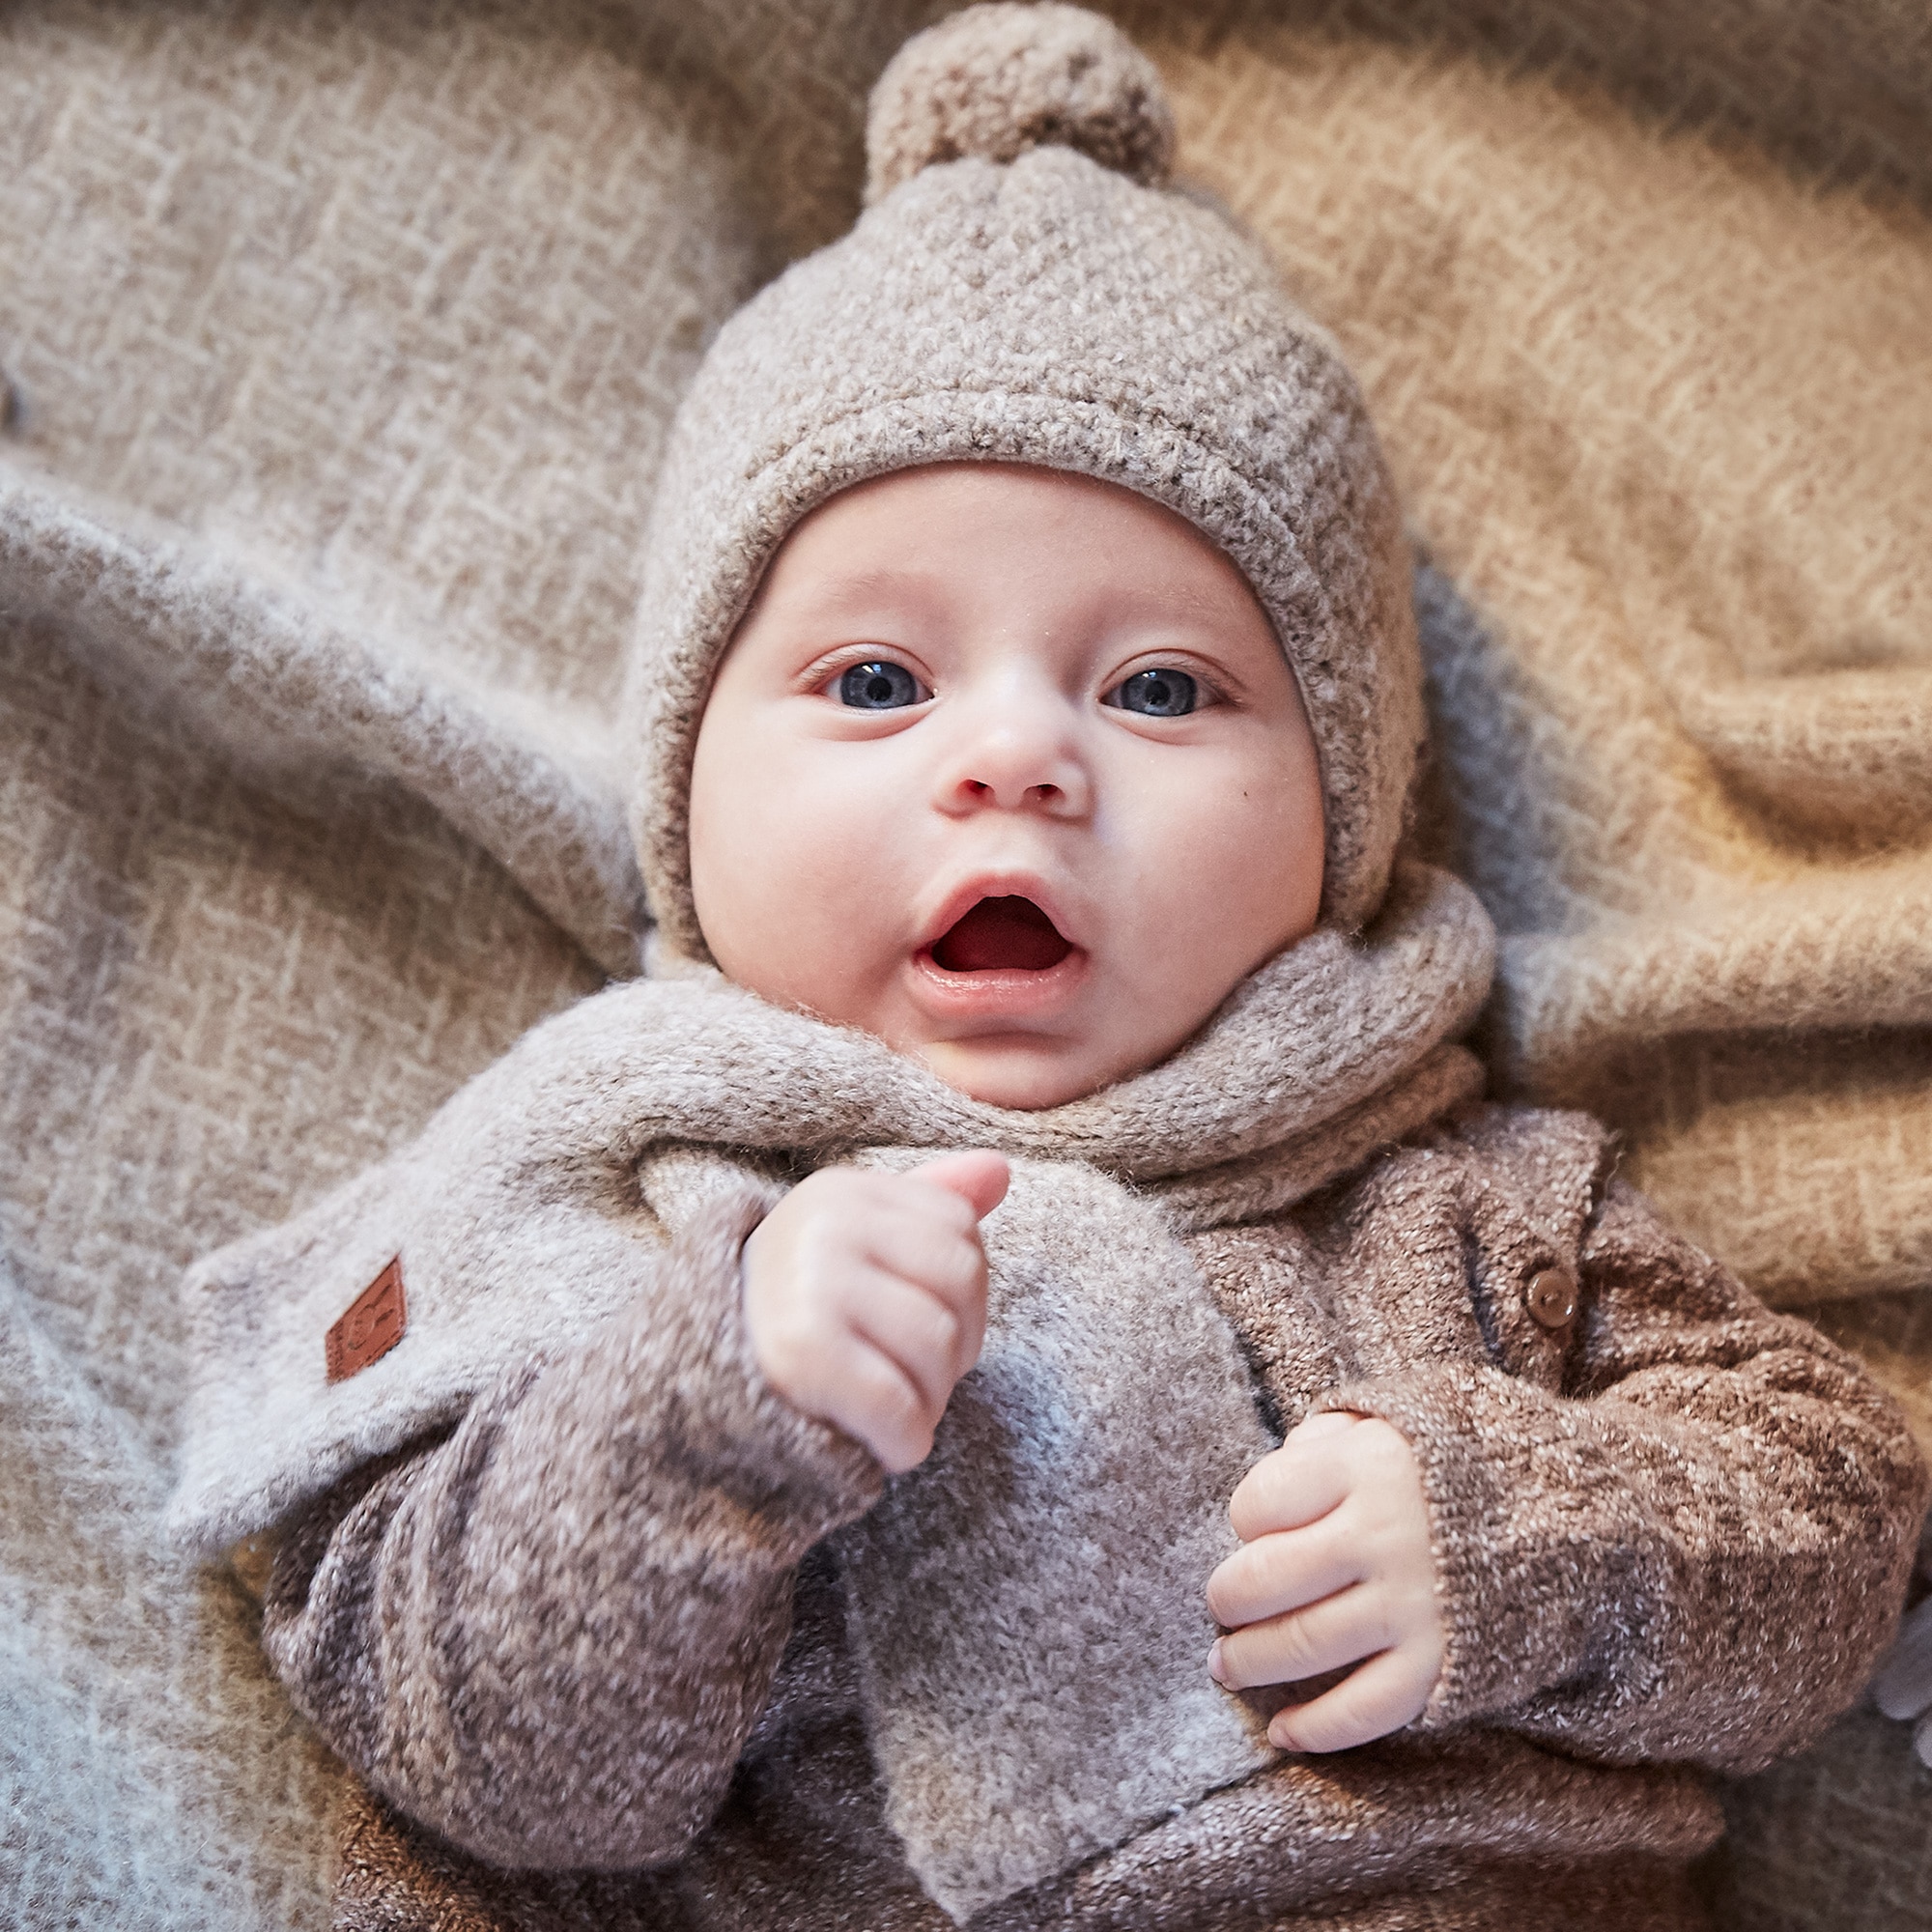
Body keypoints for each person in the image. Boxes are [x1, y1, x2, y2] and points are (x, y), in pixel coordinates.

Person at [166, 8, 1928, 1929]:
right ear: (683, 782)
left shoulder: (1468, 1205)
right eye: (875, 683)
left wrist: (1524, 1539)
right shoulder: (629, 1211)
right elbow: (478, 1757)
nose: (1012, 757)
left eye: (1159, 686)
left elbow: (1833, 1516)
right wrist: (703, 1416)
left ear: (1346, 815)